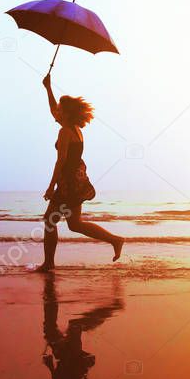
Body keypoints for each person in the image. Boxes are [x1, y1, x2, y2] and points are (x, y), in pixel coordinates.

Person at [33, 72, 123, 272]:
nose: (57, 111)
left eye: (60, 109)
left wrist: (50, 187)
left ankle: (48, 264)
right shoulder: (74, 129)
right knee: (75, 224)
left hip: (69, 182)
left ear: (66, 113)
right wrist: (48, 87)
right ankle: (115, 240)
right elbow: (52, 110)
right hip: (77, 179)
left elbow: (61, 161)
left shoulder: (65, 132)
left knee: (49, 221)